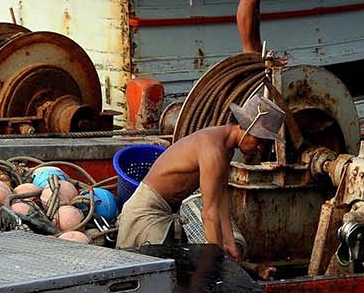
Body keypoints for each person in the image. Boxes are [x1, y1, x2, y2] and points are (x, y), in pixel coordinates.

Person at [115, 95, 284, 257]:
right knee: (159, 273)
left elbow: (222, 197)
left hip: (166, 210)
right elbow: (209, 213)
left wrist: (230, 243)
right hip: (146, 213)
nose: (260, 147)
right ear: (244, 126)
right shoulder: (213, 150)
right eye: (259, 140)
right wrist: (216, 256)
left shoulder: (226, 149)